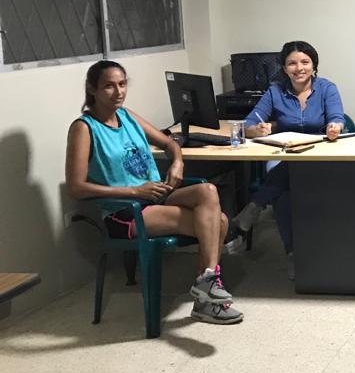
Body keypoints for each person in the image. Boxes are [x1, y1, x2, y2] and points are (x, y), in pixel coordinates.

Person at [66, 60, 243, 325]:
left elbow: (170, 143)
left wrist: (177, 162)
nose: (118, 92)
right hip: (124, 211)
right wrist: (134, 190)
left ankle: (205, 284)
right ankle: (205, 298)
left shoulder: (127, 116)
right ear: (92, 89)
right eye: (109, 86)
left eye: (122, 84)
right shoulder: (84, 128)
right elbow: (76, 187)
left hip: (155, 196)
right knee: (220, 222)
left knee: (208, 190)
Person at [234, 41, 345, 281]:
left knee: (288, 174)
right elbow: (249, 123)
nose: (299, 68)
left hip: (320, 154)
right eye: (292, 63)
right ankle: (293, 253)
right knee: (284, 191)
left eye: (305, 62)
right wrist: (256, 130)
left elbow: (337, 117)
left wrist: (334, 126)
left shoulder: (326, 88)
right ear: (284, 69)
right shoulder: (275, 91)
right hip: (286, 152)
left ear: (314, 65)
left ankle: (256, 205)